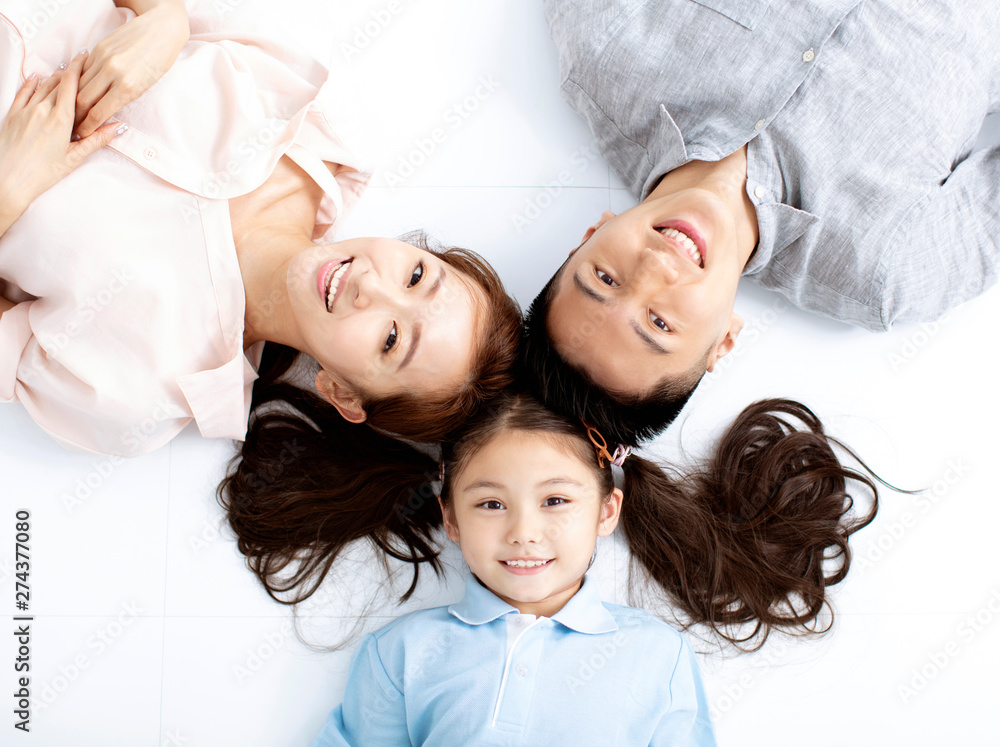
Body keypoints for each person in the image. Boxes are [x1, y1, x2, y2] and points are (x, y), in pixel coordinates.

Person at [0, 0, 521, 457]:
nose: (372, 287)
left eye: (390, 339)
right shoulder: (314, 98)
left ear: (342, 393)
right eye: (414, 277)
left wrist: (9, 193)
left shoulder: (138, 392)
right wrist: (167, 18)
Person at [523, 0, 1000, 445]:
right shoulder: (888, 271)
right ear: (723, 341)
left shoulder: (604, 48)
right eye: (659, 322)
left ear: (586, 239)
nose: (653, 267)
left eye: (604, 278)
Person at [307, 391, 879, 745]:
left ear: (607, 510)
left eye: (556, 500)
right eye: (490, 503)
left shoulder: (657, 656)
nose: (523, 532)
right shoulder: (399, 655)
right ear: (450, 519)